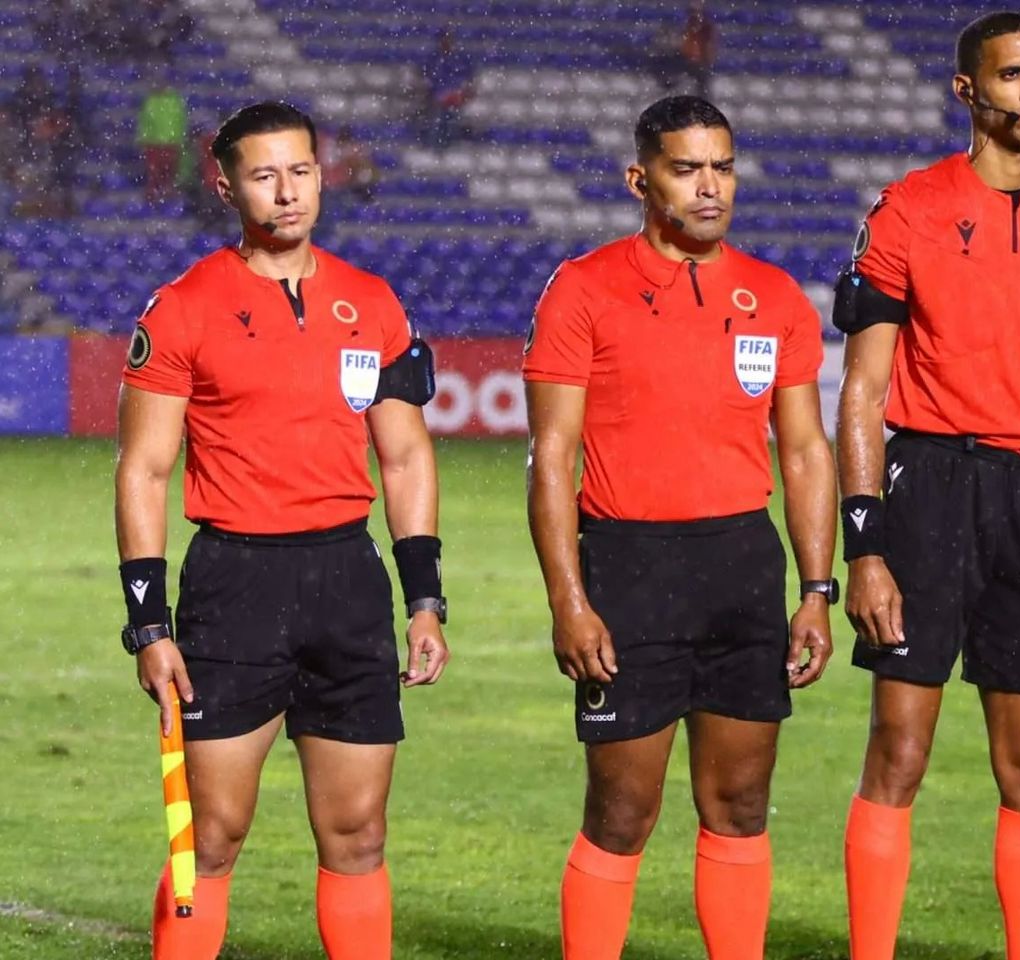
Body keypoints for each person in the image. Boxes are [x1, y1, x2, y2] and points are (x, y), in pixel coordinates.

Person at [115, 101, 448, 960]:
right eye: (264, 175)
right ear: (227, 186)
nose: (288, 191)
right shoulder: (184, 307)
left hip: (347, 583)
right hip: (235, 586)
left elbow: (405, 457)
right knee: (212, 835)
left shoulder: (372, 303)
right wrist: (149, 624)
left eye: (300, 170)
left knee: (358, 834)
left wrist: (425, 600)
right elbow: (144, 470)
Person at [832, 12, 1020, 958]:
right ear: (967, 90)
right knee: (900, 750)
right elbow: (862, 390)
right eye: (1012, 75)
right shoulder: (910, 208)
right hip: (929, 488)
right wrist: (865, 545)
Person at [523, 94, 835, 959]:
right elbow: (552, 458)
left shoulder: (775, 296)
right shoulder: (583, 289)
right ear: (641, 179)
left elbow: (805, 451)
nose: (709, 187)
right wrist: (569, 599)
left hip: (742, 566)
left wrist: (816, 590)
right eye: (686, 168)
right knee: (622, 812)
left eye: (722, 168)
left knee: (740, 805)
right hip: (630, 569)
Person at [136, 71, 188, 202]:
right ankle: (154, 196)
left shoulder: (174, 100)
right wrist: (144, 140)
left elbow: (180, 121)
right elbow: (145, 122)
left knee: (169, 173)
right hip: (154, 143)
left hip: (170, 143)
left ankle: (167, 195)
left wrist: (179, 139)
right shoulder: (151, 101)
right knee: (155, 174)